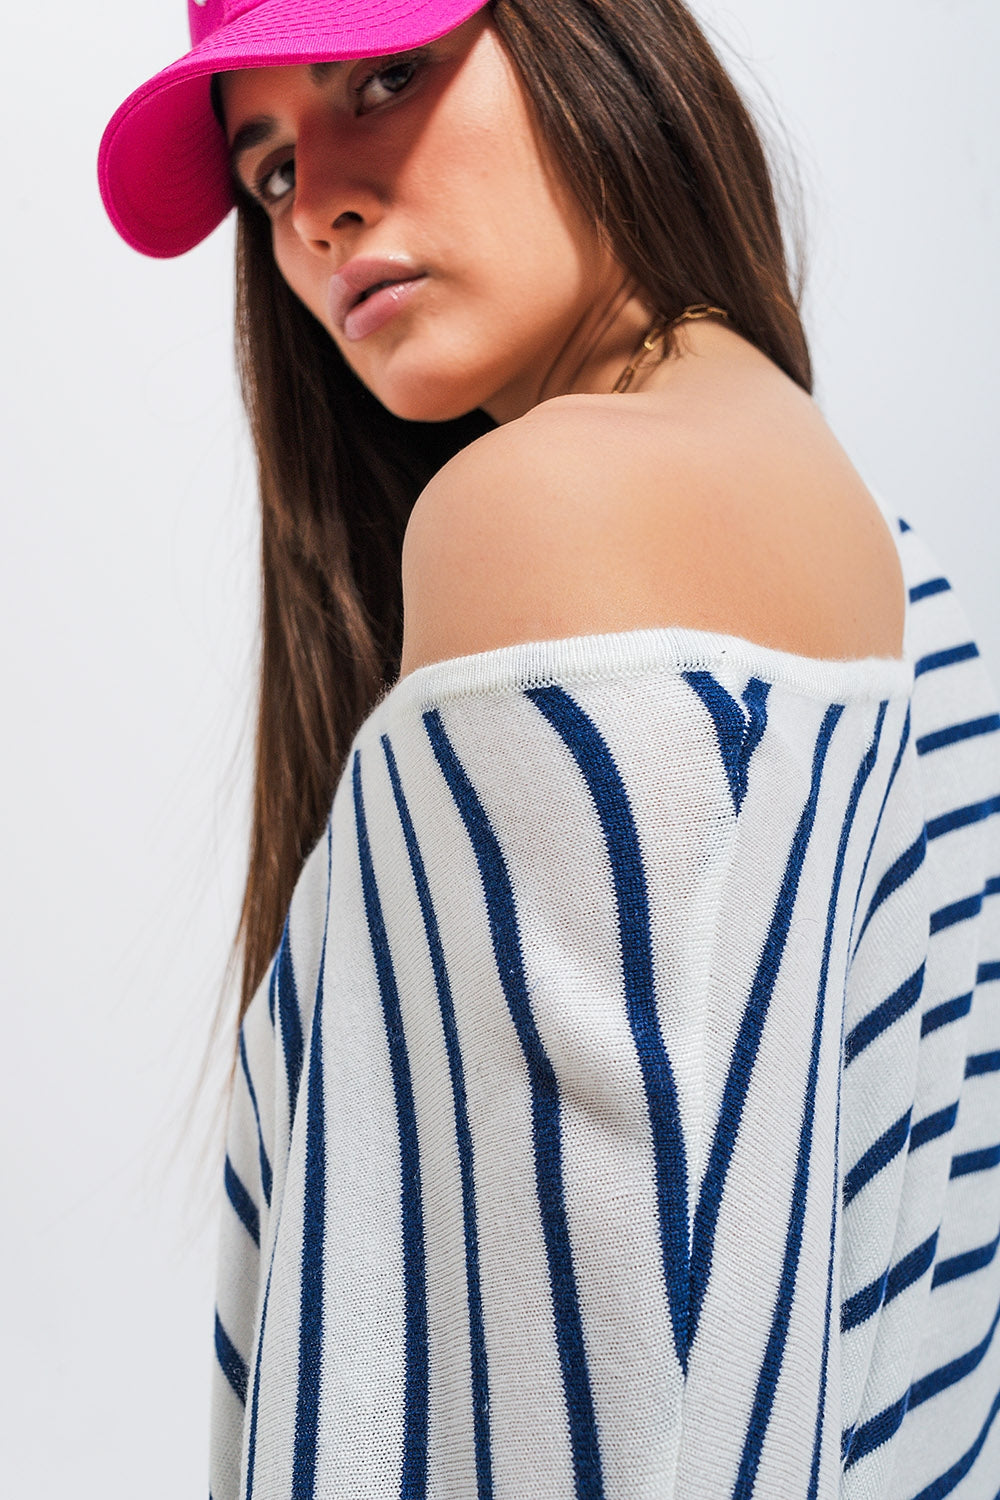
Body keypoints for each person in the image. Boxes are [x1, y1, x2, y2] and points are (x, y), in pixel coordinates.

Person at [98, 2, 1000, 1496]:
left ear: (595, 39)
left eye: (386, 77)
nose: (316, 211)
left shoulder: (546, 517)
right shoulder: (893, 559)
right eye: (269, 171)